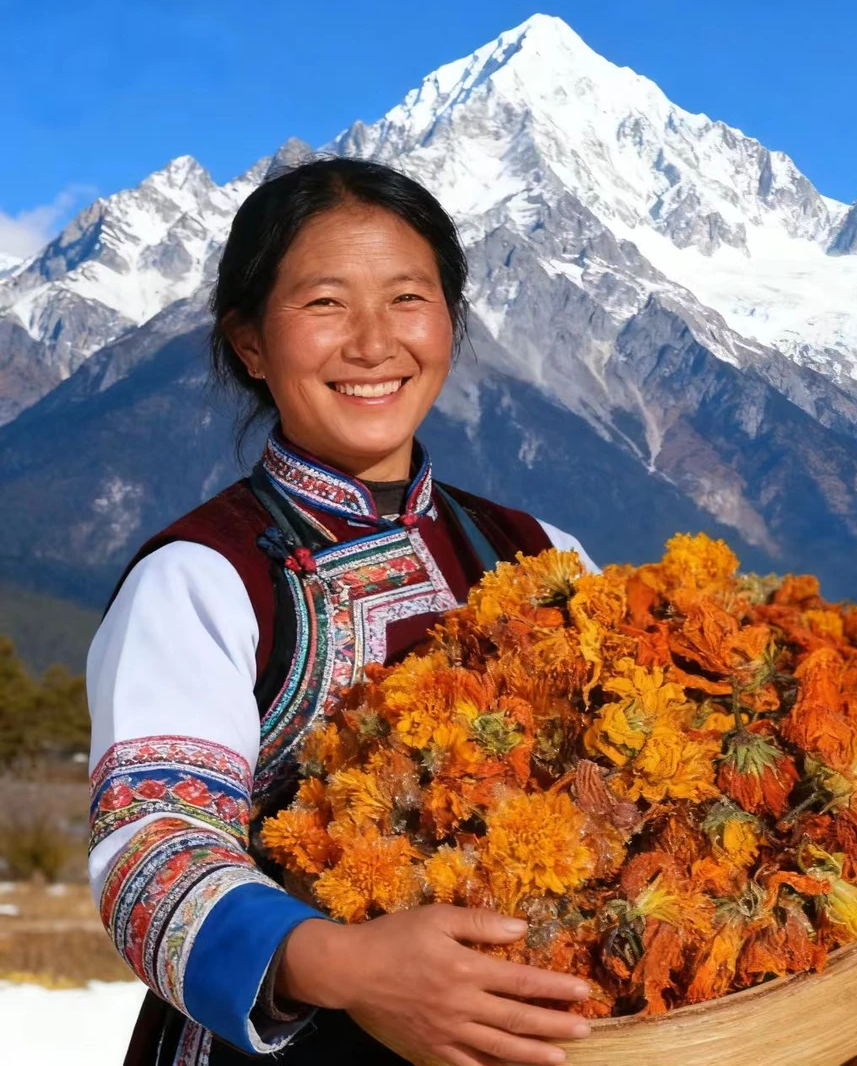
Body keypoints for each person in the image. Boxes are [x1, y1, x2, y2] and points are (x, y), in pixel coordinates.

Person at [86, 157, 602, 1066]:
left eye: (408, 299)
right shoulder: (203, 576)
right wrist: (350, 967)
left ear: (450, 320)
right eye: (325, 304)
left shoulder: (544, 552)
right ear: (249, 343)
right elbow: (150, 857)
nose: (372, 344)